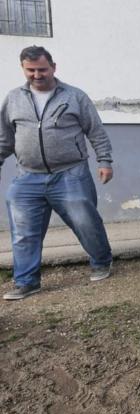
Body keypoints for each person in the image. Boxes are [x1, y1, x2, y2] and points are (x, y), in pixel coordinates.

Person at [0, 46, 114, 300]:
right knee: (23, 232)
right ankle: (27, 282)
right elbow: (5, 138)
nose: (37, 75)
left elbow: (95, 131)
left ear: (53, 67)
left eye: (42, 69)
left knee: (86, 222)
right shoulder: (13, 99)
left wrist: (104, 161)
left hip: (70, 173)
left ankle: (101, 261)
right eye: (31, 70)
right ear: (23, 69)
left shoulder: (74, 97)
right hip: (27, 176)